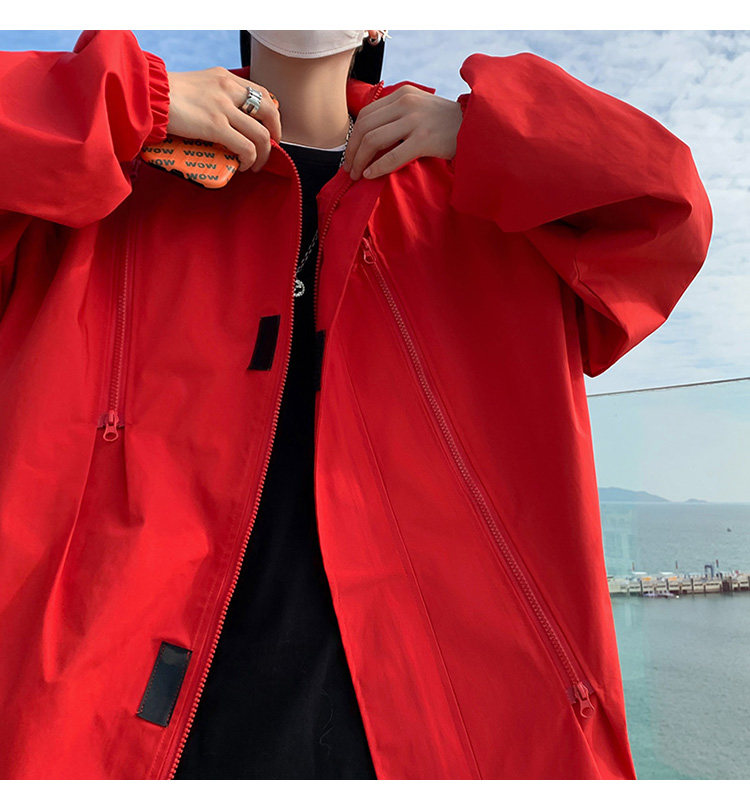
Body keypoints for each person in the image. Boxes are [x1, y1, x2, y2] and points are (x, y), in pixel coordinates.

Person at [0, 29, 712, 780]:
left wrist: (490, 132)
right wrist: (134, 102)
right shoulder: (114, 174)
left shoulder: (472, 188)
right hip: (115, 714)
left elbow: (669, 211)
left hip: (437, 723)